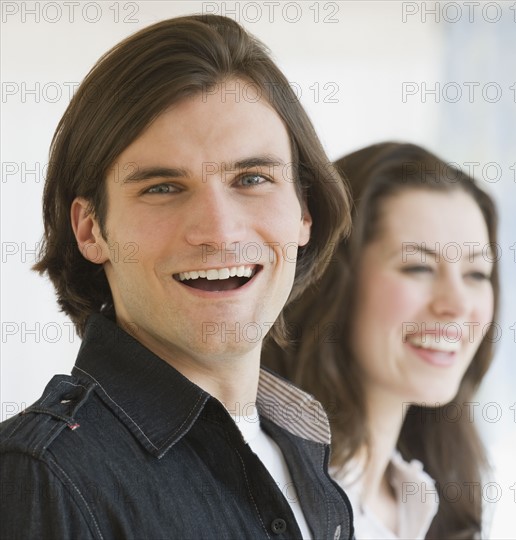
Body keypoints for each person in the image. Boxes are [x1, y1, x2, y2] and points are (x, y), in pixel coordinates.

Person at [0, 14, 354, 539]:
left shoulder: (302, 445)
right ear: (91, 229)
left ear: (304, 211)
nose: (218, 231)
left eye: (252, 178)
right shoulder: (40, 474)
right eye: (163, 188)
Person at [263, 142, 500, 539]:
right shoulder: (269, 488)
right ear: (332, 281)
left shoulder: (430, 498)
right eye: (418, 267)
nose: (458, 304)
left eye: (476, 274)